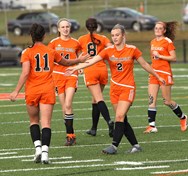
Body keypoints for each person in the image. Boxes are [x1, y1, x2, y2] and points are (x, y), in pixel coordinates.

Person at [65, 24, 165, 154]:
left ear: (123, 35)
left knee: (119, 116)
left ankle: (114, 146)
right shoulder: (108, 50)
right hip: (114, 89)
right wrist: (75, 67)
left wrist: (157, 76)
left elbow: (145, 64)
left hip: (128, 87)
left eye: (117, 35)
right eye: (112, 35)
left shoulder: (132, 49)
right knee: (123, 119)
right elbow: (92, 61)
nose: (115, 38)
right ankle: (136, 145)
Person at [9, 23, 89, 164]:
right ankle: (45, 154)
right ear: (44, 35)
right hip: (47, 90)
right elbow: (66, 62)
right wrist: (79, 60)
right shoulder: (50, 51)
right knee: (46, 123)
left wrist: (16, 91)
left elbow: (26, 72)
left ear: (31, 36)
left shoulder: (27, 52)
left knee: (34, 121)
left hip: (32, 90)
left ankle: (38, 149)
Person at [143, 21, 187, 133]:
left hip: (164, 73)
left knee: (167, 101)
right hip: (154, 73)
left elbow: (174, 58)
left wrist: (160, 56)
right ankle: (152, 126)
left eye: (160, 28)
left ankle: (183, 118)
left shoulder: (167, 41)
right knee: (151, 100)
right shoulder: (152, 41)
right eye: (156, 28)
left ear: (164, 30)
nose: (157, 30)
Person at [48, 18, 82, 146]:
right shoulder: (53, 43)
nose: (65, 29)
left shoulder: (76, 43)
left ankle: (70, 135)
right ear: (58, 29)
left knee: (68, 104)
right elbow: (49, 58)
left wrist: (80, 68)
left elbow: (80, 57)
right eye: (63, 27)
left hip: (71, 75)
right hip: (57, 76)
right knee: (64, 107)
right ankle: (70, 131)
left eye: (67, 26)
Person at [78, 18, 114, 137]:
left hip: (90, 69)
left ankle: (109, 121)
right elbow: (111, 48)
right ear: (97, 27)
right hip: (102, 69)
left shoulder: (82, 39)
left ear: (87, 27)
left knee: (98, 99)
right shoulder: (103, 38)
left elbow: (78, 54)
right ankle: (94, 128)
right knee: (95, 100)